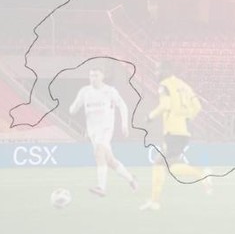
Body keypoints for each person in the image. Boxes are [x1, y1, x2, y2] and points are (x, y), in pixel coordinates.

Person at [140, 62, 211, 211]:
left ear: (167, 70)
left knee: (163, 165)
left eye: (159, 70)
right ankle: (154, 201)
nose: (157, 73)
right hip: (183, 131)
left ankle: (201, 175)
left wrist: (150, 116)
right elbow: (198, 106)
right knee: (165, 165)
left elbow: (165, 106)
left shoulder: (165, 85)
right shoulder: (185, 86)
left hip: (172, 131)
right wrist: (187, 118)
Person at [69, 66, 138, 196]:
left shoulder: (110, 91)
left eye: (96, 75)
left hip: (106, 128)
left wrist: (124, 125)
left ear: (102, 77)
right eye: (91, 76)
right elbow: (74, 108)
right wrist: (73, 109)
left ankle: (101, 187)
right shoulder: (85, 92)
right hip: (93, 131)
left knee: (98, 153)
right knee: (110, 161)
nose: (93, 78)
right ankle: (131, 179)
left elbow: (123, 106)